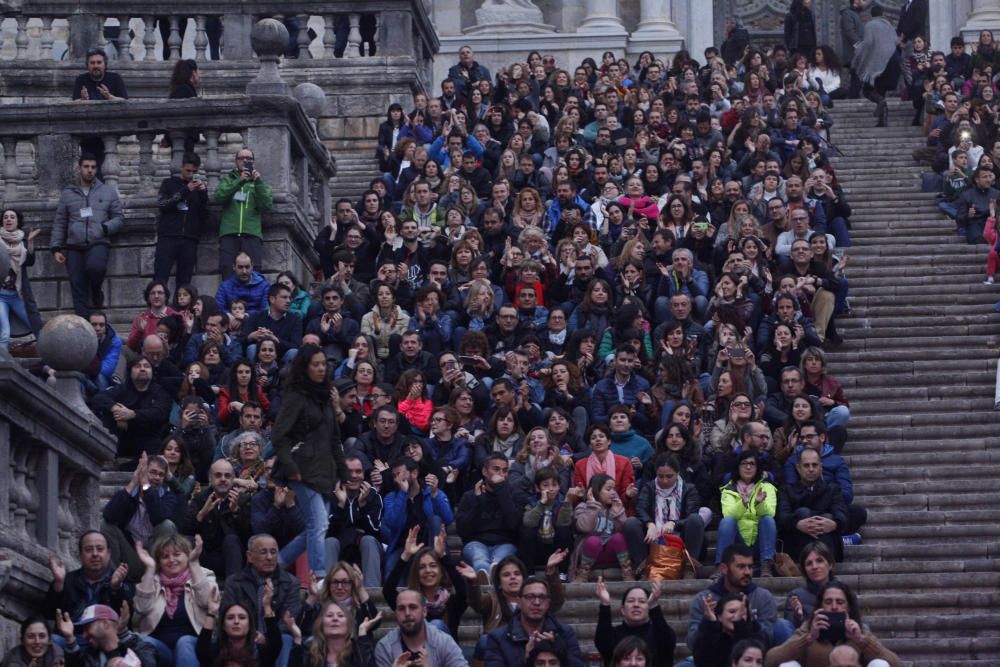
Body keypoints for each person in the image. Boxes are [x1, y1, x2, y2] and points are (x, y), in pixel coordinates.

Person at [272, 344, 347, 578]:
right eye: (316, 364)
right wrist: (291, 468)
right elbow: (278, 435)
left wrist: (344, 473)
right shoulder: (296, 395)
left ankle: (274, 569)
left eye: (324, 364)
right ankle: (320, 578)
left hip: (324, 471)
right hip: (302, 470)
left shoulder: (325, 396)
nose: (321, 368)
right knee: (319, 525)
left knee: (315, 528)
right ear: (304, 367)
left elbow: (334, 439)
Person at [51, 153, 125, 317]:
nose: (90, 170)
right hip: (74, 245)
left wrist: (105, 228)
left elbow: (119, 218)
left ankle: (96, 289)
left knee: (95, 268)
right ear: (79, 168)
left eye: (93, 167)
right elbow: (60, 222)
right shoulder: (68, 194)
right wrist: (56, 247)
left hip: (98, 241)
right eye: (86, 167)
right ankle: (83, 325)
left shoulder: (107, 192)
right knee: (77, 285)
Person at [764, 581, 901, 667]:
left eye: (840, 602)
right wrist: (809, 638)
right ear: (820, 606)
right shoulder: (809, 628)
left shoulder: (858, 630)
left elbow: (895, 664)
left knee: (880, 664)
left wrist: (861, 640)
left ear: (848, 607)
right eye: (828, 602)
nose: (834, 607)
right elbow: (771, 660)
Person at [132, 534, 216, 666]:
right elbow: (141, 608)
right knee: (144, 642)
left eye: (177, 554)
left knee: (184, 642)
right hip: (160, 648)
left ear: (187, 555)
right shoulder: (151, 580)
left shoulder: (204, 575)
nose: (171, 560)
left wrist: (193, 564)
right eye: (165, 556)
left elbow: (207, 602)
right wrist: (150, 569)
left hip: (194, 646)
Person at [222, 534, 302, 667]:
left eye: (273, 552)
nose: (269, 557)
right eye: (263, 552)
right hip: (245, 638)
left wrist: (267, 638)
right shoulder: (234, 582)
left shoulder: (290, 583)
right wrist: (251, 635)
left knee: (285, 639)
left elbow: (288, 620)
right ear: (249, 556)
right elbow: (227, 616)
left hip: (275, 640)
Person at [100, 453, 178, 582]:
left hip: (156, 560)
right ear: (143, 472)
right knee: (106, 526)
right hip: (132, 557)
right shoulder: (130, 496)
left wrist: (146, 487)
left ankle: (162, 580)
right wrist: (134, 481)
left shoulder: (168, 497)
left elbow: (159, 517)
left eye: (161, 475)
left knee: (167, 525)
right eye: (153, 472)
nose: (157, 477)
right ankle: (113, 578)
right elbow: (108, 516)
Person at [686, 544, 778, 650]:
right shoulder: (704, 599)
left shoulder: (763, 597)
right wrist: (708, 623)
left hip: (752, 660)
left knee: (782, 626)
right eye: (741, 566)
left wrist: (751, 621)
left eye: (750, 567)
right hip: (714, 658)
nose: (747, 572)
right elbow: (692, 643)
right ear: (724, 569)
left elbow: (769, 640)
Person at [629, 452, 707, 573]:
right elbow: (640, 508)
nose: (664, 480)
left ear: (678, 473)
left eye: (669, 476)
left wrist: (674, 523)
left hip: (681, 539)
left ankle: (689, 567)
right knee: (631, 523)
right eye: (660, 476)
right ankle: (644, 567)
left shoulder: (689, 489)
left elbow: (691, 513)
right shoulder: (649, 487)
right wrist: (649, 523)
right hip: (653, 538)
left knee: (696, 519)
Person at [182, 459, 251, 582]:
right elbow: (185, 529)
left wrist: (235, 512)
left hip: (230, 559)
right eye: (218, 475)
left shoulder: (242, 500)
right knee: (188, 541)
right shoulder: (200, 498)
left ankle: (232, 590)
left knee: (231, 539)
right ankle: (185, 585)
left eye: (227, 475)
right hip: (205, 555)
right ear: (210, 479)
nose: (223, 479)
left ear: (233, 479)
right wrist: (202, 513)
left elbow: (248, 536)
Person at [91, 356, 172, 460]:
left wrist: (132, 415)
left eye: (146, 366)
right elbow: (99, 398)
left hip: (149, 439)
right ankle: (108, 460)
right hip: (123, 438)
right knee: (108, 414)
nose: (142, 369)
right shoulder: (123, 389)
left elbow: (160, 413)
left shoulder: (160, 392)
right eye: (138, 366)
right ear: (130, 371)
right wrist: (116, 409)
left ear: (152, 372)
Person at [456, 452, 521, 577]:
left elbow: (514, 524)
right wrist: (478, 502)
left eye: (505, 470)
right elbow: (462, 530)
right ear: (485, 472)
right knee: (480, 561)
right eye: (496, 469)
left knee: (499, 563)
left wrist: (502, 491)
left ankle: (489, 581)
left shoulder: (514, 495)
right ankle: (485, 579)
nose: (501, 474)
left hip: (505, 543)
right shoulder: (470, 496)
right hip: (476, 542)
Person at [716, 450, 779, 577]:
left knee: (767, 519)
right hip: (738, 543)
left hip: (758, 543)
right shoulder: (728, 489)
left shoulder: (767, 487)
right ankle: (721, 566)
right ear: (738, 467)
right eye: (744, 463)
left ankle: (766, 565)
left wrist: (758, 504)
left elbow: (770, 512)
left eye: (752, 464)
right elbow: (728, 514)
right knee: (727, 521)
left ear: (758, 468)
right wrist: (743, 504)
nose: (748, 467)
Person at [778, 447, 848, 561]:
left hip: (827, 540)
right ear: (798, 468)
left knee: (827, 517)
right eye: (806, 465)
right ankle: (813, 561)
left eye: (814, 465)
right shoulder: (786, 490)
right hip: (797, 544)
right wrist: (798, 523)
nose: (811, 469)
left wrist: (833, 524)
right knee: (802, 513)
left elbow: (842, 513)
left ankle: (822, 562)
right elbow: (782, 516)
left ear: (820, 467)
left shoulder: (832, 489)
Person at [325, 454, 384, 587]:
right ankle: (327, 593)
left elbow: (376, 531)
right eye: (349, 472)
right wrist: (340, 505)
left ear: (363, 474)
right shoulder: (330, 496)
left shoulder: (373, 496)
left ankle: (373, 596)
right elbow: (327, 533)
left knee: (368, 540)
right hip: (339, 548)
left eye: (358, 471)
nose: (354, 476)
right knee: (329, 542)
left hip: (365, 550)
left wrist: (362, 506)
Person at [154, 151, 209, 289]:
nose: (190, 174)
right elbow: (163, 204)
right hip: (168, 237)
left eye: (194, 171)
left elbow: (204, 215)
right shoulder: (168, 183)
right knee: (160, 278)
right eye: (188, 170)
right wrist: (186, 190)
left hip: (189, 238)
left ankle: (181, 310)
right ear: (182, 168)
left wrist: (203, 194)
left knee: (184, 282)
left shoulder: (199, 189)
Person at [215, 147, 274, 276]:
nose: (245, 161)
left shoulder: (259, 183)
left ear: (254, 162)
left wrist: (258, 183)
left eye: (249, 159)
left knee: (254, 273)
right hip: (230, 233)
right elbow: (219, 196)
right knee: (227, 270)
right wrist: (239, 182)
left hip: (251, 234)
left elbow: (266, 205)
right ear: (236, 162)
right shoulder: (228, 180)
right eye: (242, 158)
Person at [373, 589, 468, 667]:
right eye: (401, 608)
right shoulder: (385, 647)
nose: (407, 613)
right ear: (396, 614)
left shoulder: (444, 642)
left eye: (413, 607)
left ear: (424, 612)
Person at [594, 579, 676, 666]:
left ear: (649, 608)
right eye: (630, 601)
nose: (636, 605)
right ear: (622, 610)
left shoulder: (660, 632)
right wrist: (605, 604)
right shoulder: (613, 635)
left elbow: (668, 643)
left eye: (642, 601)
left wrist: (653, 606)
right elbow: (601, 642)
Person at [572, 473, 632, 582]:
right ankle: (582, 574)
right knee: (593, 540)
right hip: (589, 553)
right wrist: (592, 508)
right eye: (608, 489)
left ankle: (627, 573)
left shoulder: (614, 508)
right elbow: (584, 528)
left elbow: (623, 530)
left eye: (614, 489)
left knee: (618, 537)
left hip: (610, 553)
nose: (613, 493)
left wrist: (617, 513)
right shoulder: (583, 507)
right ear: (596, 491)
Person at [55, 604, 156, 667]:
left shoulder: (141, 647)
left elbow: (149, 663)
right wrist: (69, 638)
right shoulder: (90, 656)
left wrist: (124, 635)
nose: (84, 635)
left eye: (87, 628)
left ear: (105, 624)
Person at [287, 600, 381, 667]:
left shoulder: (358, 651)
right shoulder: (309, 652)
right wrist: (297, 638)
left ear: (348, 624)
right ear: (321, 624)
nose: (335, 619)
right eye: (329, 615)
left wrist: (362, 634)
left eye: (340, 615)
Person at [852, 5, 902, 127]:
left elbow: (868, 42)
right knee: (881, 91)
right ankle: (882, 120)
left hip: (878, 64)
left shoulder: (870, 25)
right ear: (882, 14)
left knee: (867, 90)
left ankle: (880, 102)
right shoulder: (889, 26)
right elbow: (896, 42)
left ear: (871, 15)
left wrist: (859, 48)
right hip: (892, 61)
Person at [692, 591, 769, 667]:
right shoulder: (713, 634)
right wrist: (710, 623)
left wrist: (740, 624)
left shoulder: (754, 633)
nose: (737, 616)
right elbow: (702, 662)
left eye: (742, 612)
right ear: (719, 617)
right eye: (732, 612)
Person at [0, 209, 39, 349]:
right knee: (4, 334)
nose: (8, 220)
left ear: (17, 221)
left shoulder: (23, 240)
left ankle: (50, 361)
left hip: (18, 294)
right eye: (5, 217)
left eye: (12, 217)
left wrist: (30, 242)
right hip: (1, 296)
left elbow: (29, 262)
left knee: (36, 326)